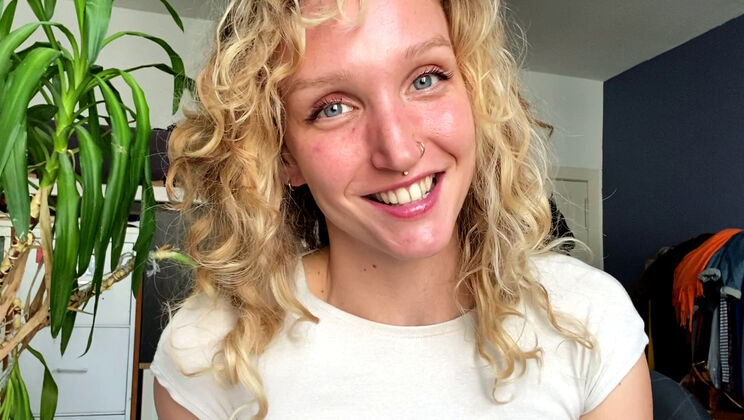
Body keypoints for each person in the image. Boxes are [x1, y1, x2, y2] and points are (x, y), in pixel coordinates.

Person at [152, 0, 652, 418]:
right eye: (332, 107)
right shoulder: (206, 352)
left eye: (426, 79)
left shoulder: (588, 321)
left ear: (474, 92)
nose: (398, 151)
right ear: (284, 155)